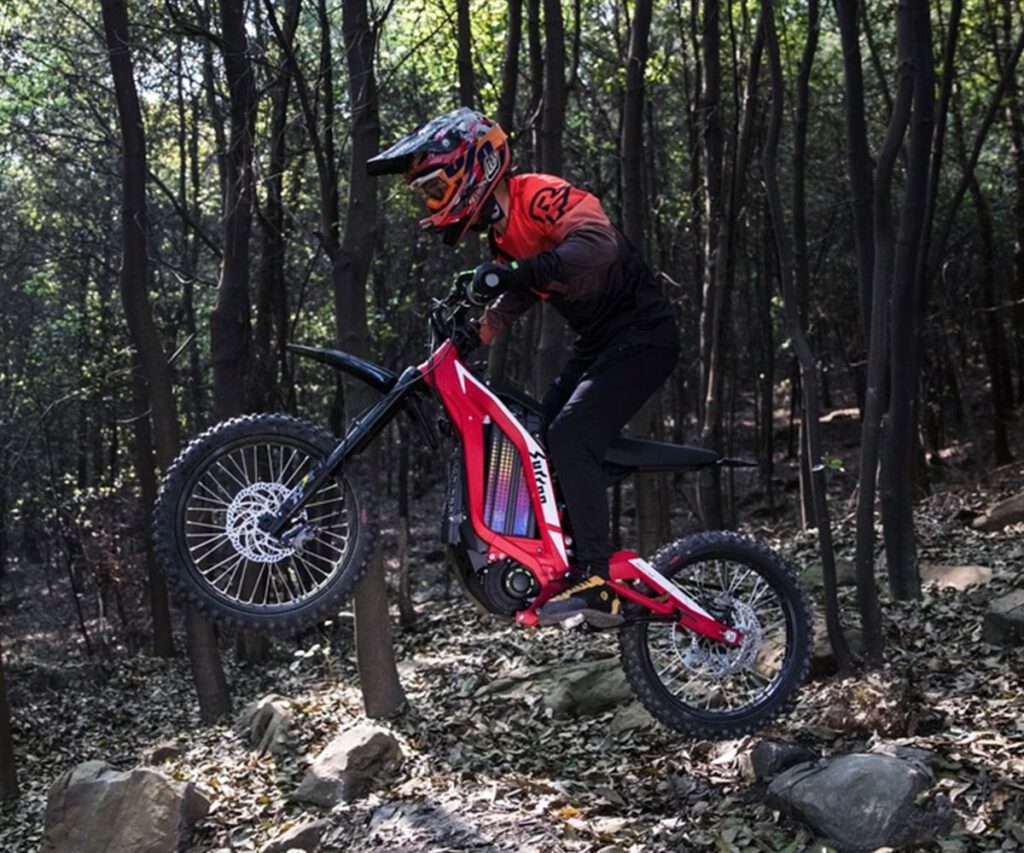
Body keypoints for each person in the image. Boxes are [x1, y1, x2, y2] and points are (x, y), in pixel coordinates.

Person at [368, 107, 679, 628]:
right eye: (427, 196)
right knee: (536, 435)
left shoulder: (538, 194)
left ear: (474, 167)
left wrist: (512, 272)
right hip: (599, 343)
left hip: (643, 336)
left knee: (571, 435)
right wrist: (472, 335)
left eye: (436, 190)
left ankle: (597, 577)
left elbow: (597, 244)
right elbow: (520, 292)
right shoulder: (503, 237)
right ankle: (565, 559)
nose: (433, 203)